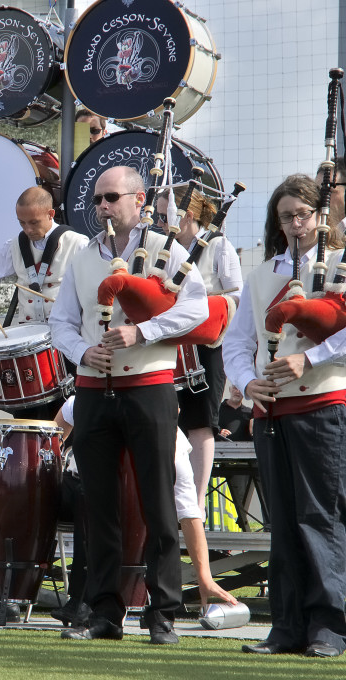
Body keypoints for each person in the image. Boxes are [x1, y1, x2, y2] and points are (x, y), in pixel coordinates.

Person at [49, 165, 208, 645]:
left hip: (148, 387)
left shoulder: (166, 249)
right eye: (98, 199)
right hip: (95, 390)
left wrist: (142, 331)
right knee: (98, 507)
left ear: (139, 200)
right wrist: (82, 352)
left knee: (160, 504)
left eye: (112, 197)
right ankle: (104, 614)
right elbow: (61, 322)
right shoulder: (82, 256)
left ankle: (162, 614)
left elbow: (197, 307)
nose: (102, 206)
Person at [223, 174, 346, 657]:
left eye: (303, 214)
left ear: (319, 216)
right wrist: (245, 380)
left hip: (322, 404)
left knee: (320, 517)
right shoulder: (261, 275)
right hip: (271, 409)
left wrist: (308, 360)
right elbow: (237, 341)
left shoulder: (339, 263)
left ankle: (328, 628)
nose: (296, 224)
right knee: (285, 522)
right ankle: (286, 627)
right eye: (286, 216)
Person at [48, 395, 238, 627]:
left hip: (127, 509)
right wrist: (57, 456)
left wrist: (204, 577)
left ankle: (87, 601)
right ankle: (16, 593)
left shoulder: (172, 446)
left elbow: (189, 516)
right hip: (79, 486)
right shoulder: (88, 401)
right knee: (64, 492)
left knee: (95, 499)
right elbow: (54, 435)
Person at [157, 184, 243, 515]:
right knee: (170, 417)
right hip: (174, 344)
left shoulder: (219, 246)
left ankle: (194, 503)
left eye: (166, 217)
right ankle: (172, 497)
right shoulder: (168, 249)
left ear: (187, 216)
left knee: (200, 420)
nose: (162, 225)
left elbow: (237, 295)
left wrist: (202, 306)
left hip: (208, 344)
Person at [0, 186, 88, 419]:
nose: (27, 229)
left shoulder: (77, 243)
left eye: (34, 222)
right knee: (32, 414)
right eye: (21, 223)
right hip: (31, 344)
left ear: (51, 214)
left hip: (67, 338)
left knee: (69, 411)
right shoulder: (14, 244)